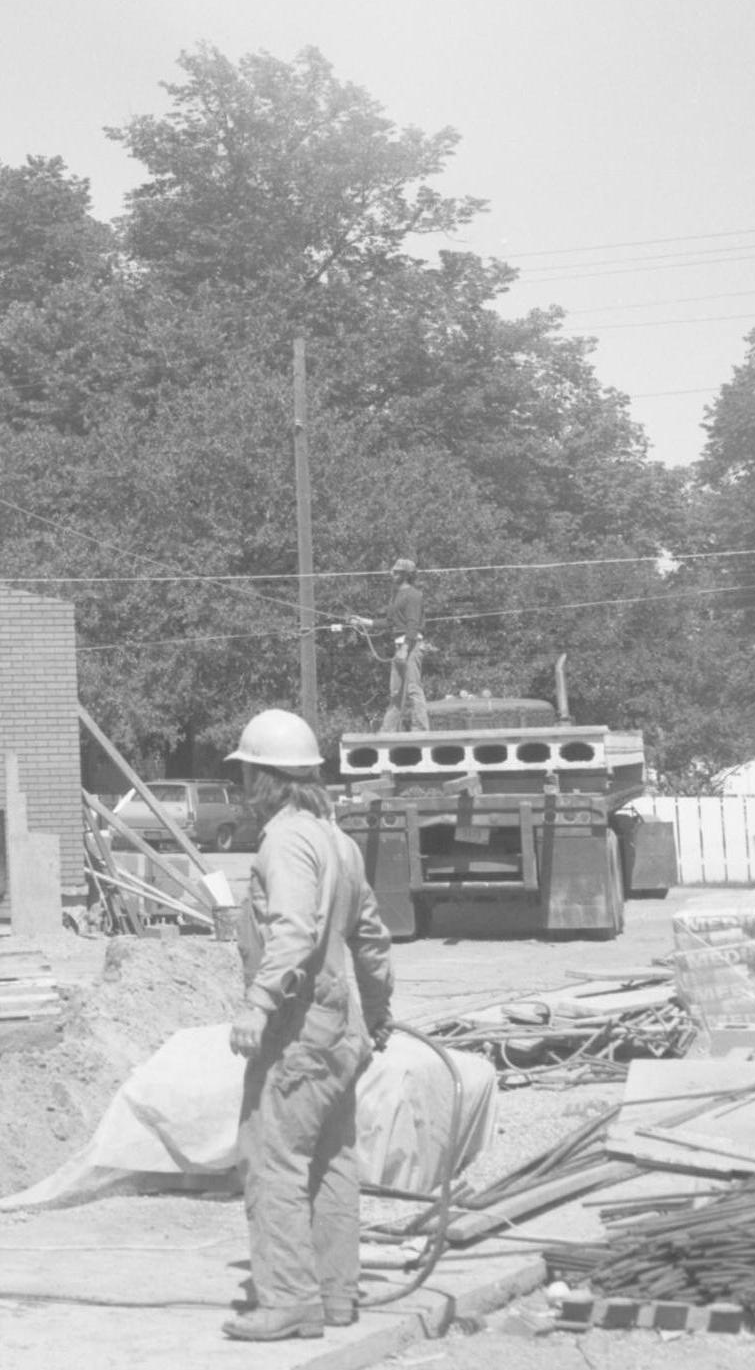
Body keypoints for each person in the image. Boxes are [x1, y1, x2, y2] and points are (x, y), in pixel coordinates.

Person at [222, 708, 395, 1344]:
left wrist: (258, 1005)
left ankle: (290, 1301)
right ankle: (334, 1295)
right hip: (341, 1025)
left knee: (273, 1161)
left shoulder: (285, 840)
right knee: (330, 1162)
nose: (243, 792)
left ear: (266, 779)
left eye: (247, 777)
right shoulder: (338, 842)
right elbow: (372, 937)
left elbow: (293, 928)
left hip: (299, 1029)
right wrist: (376, 1013)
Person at [382, 561, 430, 733]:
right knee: (396, 692)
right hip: (400, 646)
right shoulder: (395, 595)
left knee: (413, 689)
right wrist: (364, 622)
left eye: (396, 572)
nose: (392, 574)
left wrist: (404, 648)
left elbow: (412, 624)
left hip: (411, 646)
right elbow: (389, 622)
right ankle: (387, 732)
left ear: (406, 575)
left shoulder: (413, 595)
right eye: (392, 571)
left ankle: (421, 730)